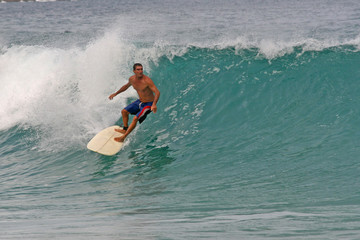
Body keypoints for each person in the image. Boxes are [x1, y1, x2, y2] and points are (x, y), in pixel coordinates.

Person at [108, 63, 160, 142]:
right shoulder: (132, 79)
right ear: (134, 71)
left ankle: (124, 137)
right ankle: (125, 129)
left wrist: (154, 104)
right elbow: (126, 86)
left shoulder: (147, 81)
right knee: (124, 111)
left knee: (135, 118)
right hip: (140, 101)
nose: (140, 71)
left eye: (141, 69)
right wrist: (115, 93)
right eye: (138, 69)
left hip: (149, 104)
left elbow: (157, 92)